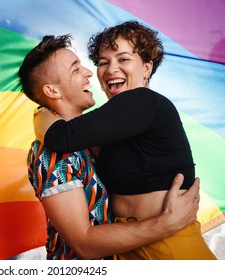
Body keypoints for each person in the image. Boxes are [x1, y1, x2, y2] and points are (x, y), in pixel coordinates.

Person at [33, 21, 216, 259]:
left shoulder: (143, 101)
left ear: (147, 68)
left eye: (123, 59)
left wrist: (40, 113)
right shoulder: (115, 125)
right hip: (130, 244)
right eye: (102, 62)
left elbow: (60, 137)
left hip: (169, 245)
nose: (110, 69)